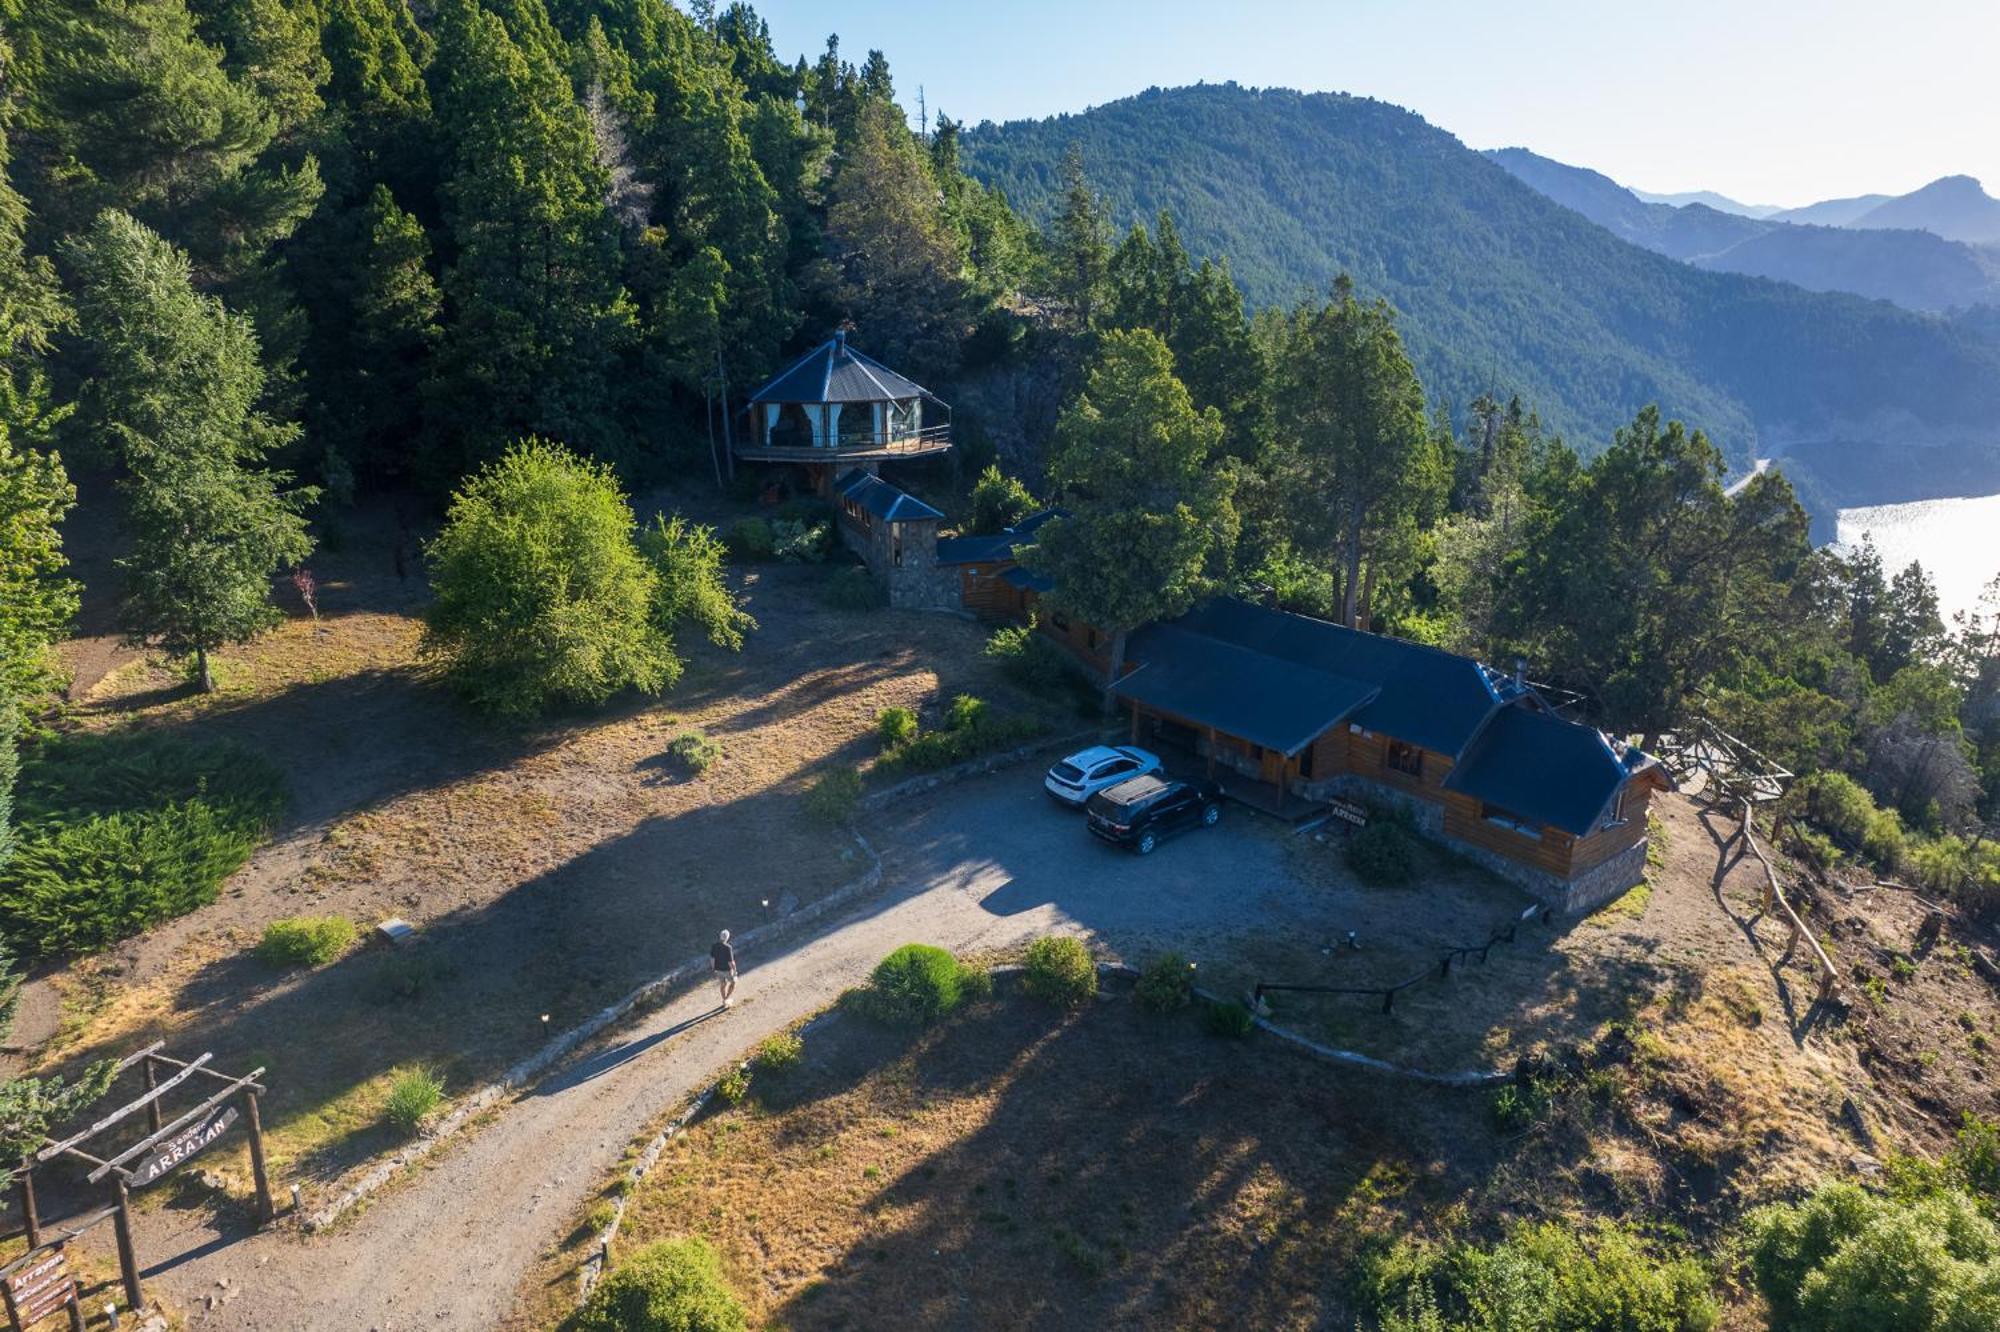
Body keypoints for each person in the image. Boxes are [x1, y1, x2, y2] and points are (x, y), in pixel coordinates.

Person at [711, 929, 737, 1009]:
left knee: (723, 984)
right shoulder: (728, 947)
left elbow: (712, 959)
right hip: (727, 970)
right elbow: (731, 962)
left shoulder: (714, 946)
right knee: (733, 983)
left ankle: (724, 999)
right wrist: (735, 970)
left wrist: (713, 969)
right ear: (727, 938)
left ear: (720, 936)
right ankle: (726, 999)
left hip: (718, 970)